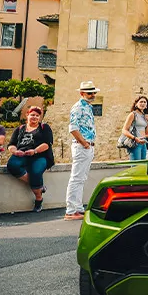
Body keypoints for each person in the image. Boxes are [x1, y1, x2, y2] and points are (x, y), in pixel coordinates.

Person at [5, 106, 54, 212]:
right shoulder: (19, 129)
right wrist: (15, 151)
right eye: (32, 115)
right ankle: (39, 187)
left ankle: (38, 198)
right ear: (27, 115)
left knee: (36, 172)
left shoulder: (44, 128)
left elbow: (47, 144)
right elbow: (11, 144)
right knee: (12, 165)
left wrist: (35, 151)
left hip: (40, 155)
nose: (35, 117)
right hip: (22, 154)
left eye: (37, 115)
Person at [65, 81, 99, 221]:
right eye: (89, 93)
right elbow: (73, 128)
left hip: (87, 145)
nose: (92, 95)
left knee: (81, 178)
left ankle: (77, 208)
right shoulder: (78, 107)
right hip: (82, 146)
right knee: (77, 178)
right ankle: (71, 210)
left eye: (93, 93)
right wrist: (84, 143)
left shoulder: (88, 107)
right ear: (82, 93)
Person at [121, 96, 148, 160]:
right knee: (136, 166)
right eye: (141, 102)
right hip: (135, 143)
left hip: (143, 142)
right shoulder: (133, 114)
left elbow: (147, 133)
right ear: (136, 104)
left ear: (147, 105)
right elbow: (124, 130)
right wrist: (135, 138)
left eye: (145, 102)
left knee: (143, 166)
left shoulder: (145, 115)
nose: (143, 104)